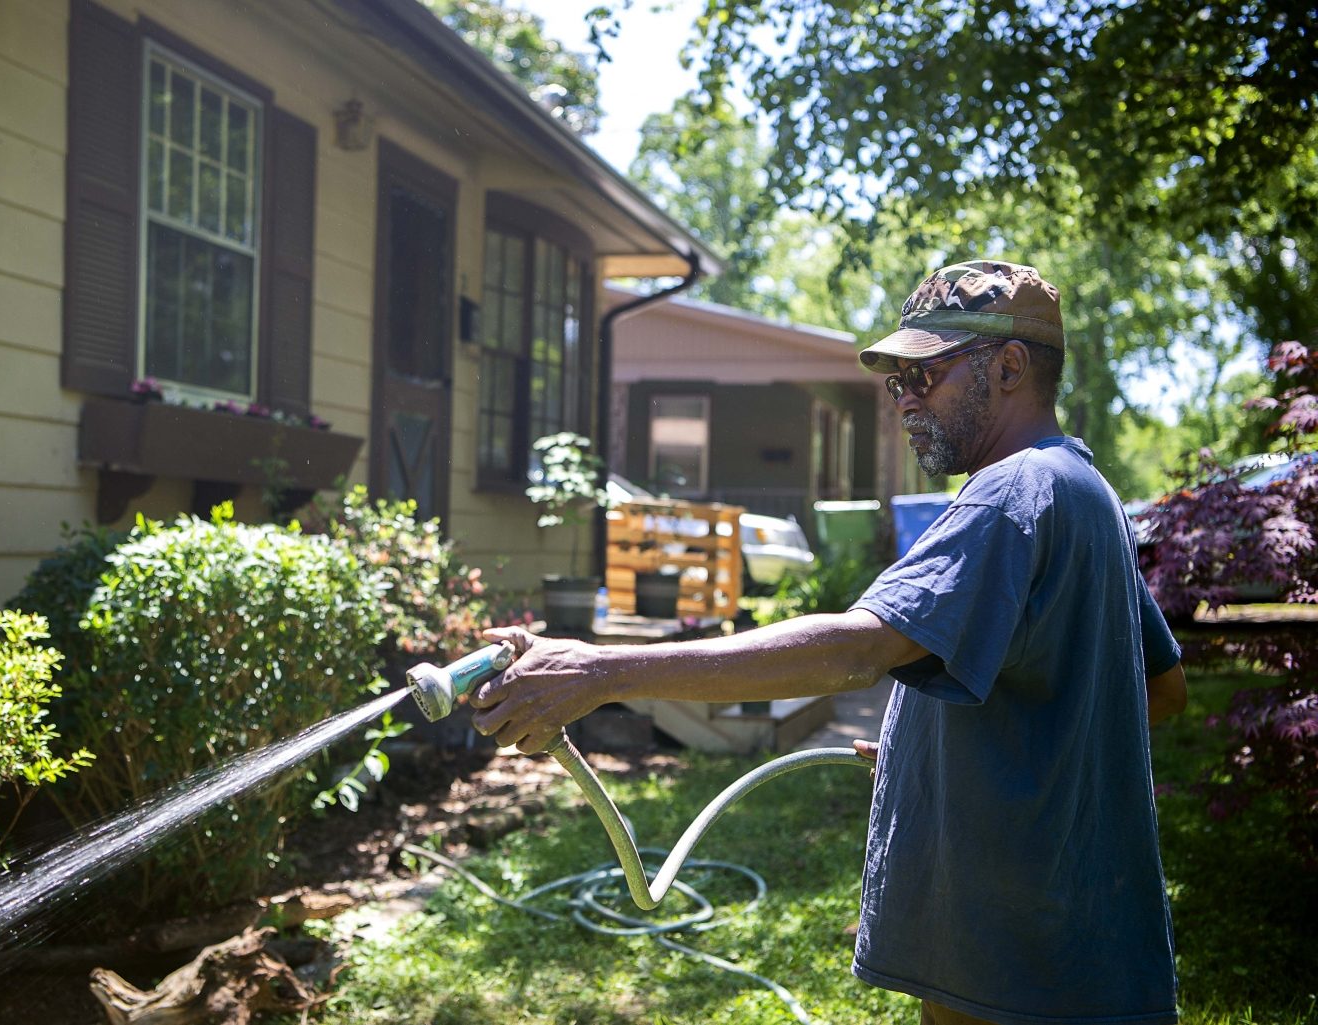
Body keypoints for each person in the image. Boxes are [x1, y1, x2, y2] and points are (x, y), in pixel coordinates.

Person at [472, 260, 1188, 1025]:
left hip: (1011, 959)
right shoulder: (1088, 492)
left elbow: (855, 650)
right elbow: (1158, 688)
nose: (904, 399)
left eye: (926, 375)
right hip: (1082, 943)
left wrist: (600, 669)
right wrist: (947, 752)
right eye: (898, 382)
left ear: (1010, 366)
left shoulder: (1008, 494)